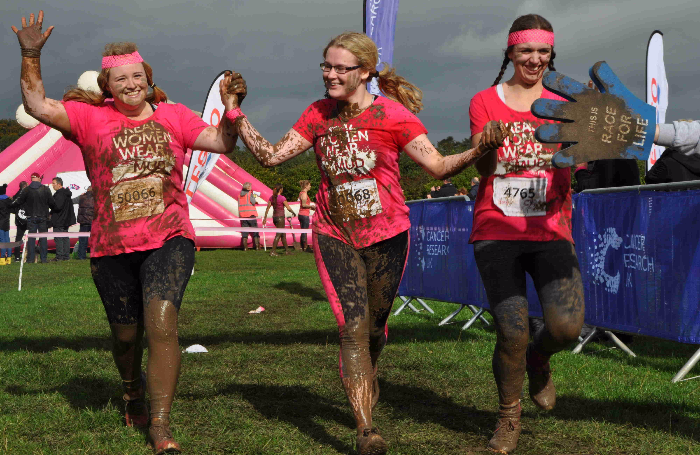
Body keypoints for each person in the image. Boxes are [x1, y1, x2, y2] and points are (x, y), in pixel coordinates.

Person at [227, 31, 505, 454]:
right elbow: (270, 156)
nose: (331, 75)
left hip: (388, 234)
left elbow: (436, 165)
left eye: (342, 68)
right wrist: (235, 113)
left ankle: (367, 377)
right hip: (333, 232)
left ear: (365, 72)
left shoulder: (392, 115)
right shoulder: (318, 113)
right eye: (327, 66)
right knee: (352, 329)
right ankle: (366, 430)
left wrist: (478, 150)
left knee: (374, 329)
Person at [12, 10, 243, 454]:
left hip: (170, 237)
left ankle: (159, 425)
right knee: (125, 337)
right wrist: (30, 54)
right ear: (108, 86)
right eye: (120, 79)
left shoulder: (174, 116)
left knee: (161, 324)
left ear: (147, 77)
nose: (130, 85)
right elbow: (38, 105)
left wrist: (231, 113)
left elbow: (221, 142)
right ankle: (131, 389)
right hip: (112, 245)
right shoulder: (88, 119)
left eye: (137, 76)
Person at [469, 14, 584, 453]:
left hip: (552, 228)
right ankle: (508, 418)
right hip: (496, 230)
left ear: (551, 53)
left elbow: (583, 156)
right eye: (525, 51)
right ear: (510, 52)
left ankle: (541, 357)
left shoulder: (565, 102)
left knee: (567, 327)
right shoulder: (485, 101)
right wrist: (487, 147)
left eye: (542, 51)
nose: (534, 59)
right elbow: (482, 172)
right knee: (511, 332)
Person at [11, 172, 54, 263]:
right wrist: (54, 210)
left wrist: (8, 206)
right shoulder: (45, 189)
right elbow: (52, 203)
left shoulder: (26, 190)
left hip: (31, 217)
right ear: (38, 178)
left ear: (31, 179)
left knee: (31, 239)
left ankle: (30, 259)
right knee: (43, 238)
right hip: (43, 217)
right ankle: (43, 259)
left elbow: (18, 201)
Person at [262, 184, 297, 256]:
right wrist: (293, 212)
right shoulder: (282, 198)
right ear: (280, 189)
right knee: (278, 234)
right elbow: (288, 208)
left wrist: (265, 218)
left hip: (274, 218)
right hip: (280, 218)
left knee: (283, 235)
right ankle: (273, 251)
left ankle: (287, 250)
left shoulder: (271, 198)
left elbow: (267, 208)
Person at [50, 176, 75, 261]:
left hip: (59, 219)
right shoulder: (66, 193)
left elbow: (57, 207)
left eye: (54, 183)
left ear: (59, 184)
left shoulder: (60, 194)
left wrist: (50, 203)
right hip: (65, 219)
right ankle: (66, 256)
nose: (52, 185)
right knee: (65, 237)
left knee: (58, 238)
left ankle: (60, 256)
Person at [238, 182, 260, 251]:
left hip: (243, 215)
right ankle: (257, 246)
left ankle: (245, 247)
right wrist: (255, 200)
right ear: (248, 188)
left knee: (245, 232)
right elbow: (252, 202)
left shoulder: (240, 195)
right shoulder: (250, 193)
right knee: (255, 230)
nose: (251, 188)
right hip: (251, 214)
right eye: (250, 187)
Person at [75, 185, 94, 259]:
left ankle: (81, 256)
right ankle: (94, 255)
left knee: (83, 240)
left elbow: (72, 201)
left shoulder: (81, 197)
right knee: (95, 240)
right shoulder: (97, 198)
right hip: (93, 222)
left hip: (83, 222)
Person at [11, 181, 28, 262]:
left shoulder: (16, 195)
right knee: (31, 237)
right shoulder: (28, 194)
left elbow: (13, 207)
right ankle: (30, 256)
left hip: (19, 220)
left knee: (18, 238)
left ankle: (17, 257)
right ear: (25, 186)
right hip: (28, 218)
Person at [297, 180, 315, 251]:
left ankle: (303, 246)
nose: (310, 186)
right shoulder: (304, 194)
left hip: (302, 214)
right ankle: (305, 247)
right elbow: (304, 205)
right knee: (305, 230)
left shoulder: (301, 193)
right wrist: (311, 207)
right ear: (305, 186)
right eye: (309, 185)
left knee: (303, 230)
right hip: (304, 214)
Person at [0, 184, 11, 265]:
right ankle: (9, 258)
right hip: (7, 222)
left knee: (2, 240)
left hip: (0, 223)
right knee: (7, 240)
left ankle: (2, 259)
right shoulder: (8, 200)